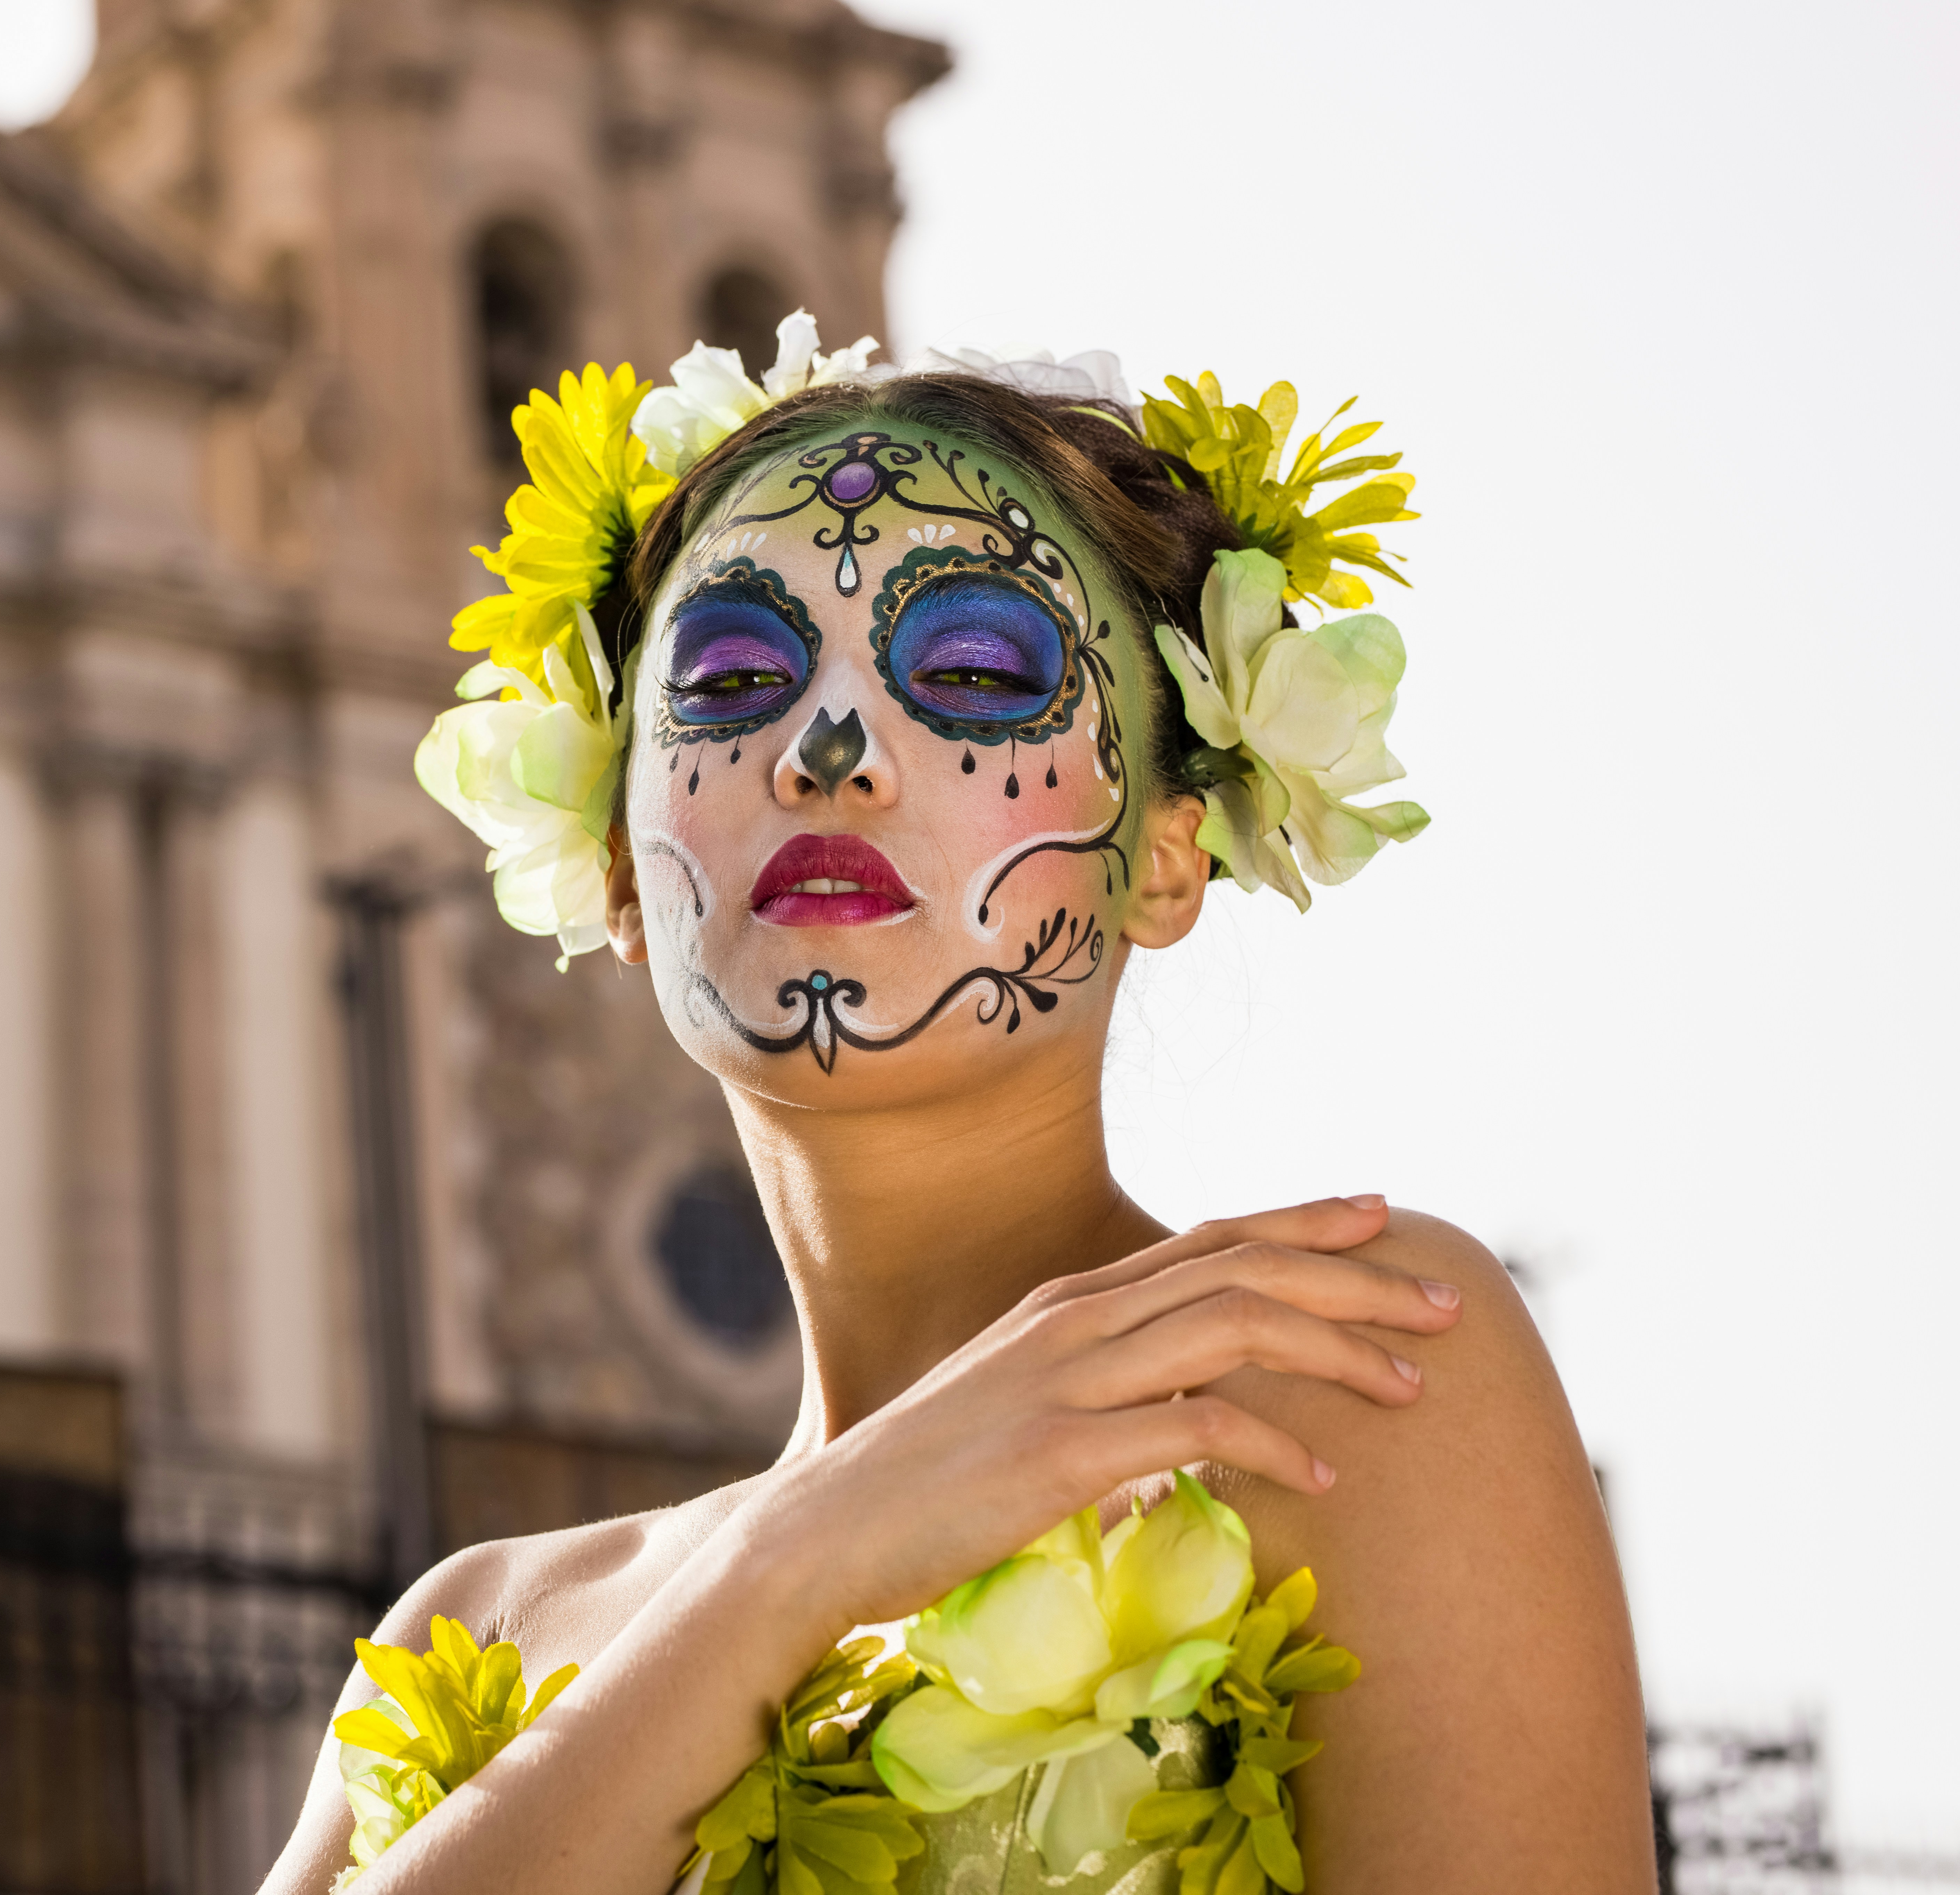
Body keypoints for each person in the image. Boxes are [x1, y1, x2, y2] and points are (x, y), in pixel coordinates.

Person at [263, 328, 1652, 1893]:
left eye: (978, 673)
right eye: (730, 679)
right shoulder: (476, 1637)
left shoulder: (1340, 1374)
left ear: (1166, 857)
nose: (826, 751)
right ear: (614, 867)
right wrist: (792, 1563)